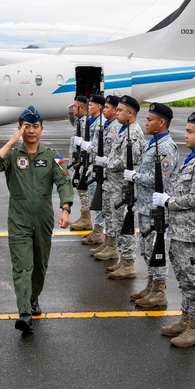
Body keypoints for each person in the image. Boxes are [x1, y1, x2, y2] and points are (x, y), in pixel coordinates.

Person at [0, 106, 73, 332]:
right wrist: (11, 141)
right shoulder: (13, 156)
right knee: (22, 266)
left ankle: (33, 297)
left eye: (35, 126)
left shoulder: (52, 156)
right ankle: (24, 311)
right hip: (19, 217)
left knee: (40, 264)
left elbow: (64, 182)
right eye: (26, 127)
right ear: (20, 129)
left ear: (42, 129)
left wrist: (65, 208)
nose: (31, 131)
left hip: (43, 217)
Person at [154, 112, 195, 347]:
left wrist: (168, 202)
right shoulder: (193, 158)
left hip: (193, 233)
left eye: (190, 131)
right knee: (184, 279)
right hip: (182, 230)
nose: (186, 135)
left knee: (193, 280)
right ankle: (186, 319)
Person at [131, 103, 179, 309]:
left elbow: (162, 180)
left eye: (150, 119)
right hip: (145, 205)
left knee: (155, 249)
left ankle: (159, 290)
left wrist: (136, 176)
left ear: (161, 122)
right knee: (146, 248)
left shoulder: (166, 147)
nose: (146, 122)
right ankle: (151, 285)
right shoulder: (154, 144)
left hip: (155, 208)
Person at [102, 95, 146, 280]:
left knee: (124, 225)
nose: (117, 112)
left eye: (120, 110)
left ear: (130, 113)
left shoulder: (133, 132)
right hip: (115, 186)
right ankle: (123, 259)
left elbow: (129, 160)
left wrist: (107, 162)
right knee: (117, 223)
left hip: (123, 187)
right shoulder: (123, 129)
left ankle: (128, 264)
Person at [89, 95, 123, 263]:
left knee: (114, 215)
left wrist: (104, 161)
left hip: (114, 178)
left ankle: (112, 246)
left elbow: (115, 155)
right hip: (107, 176)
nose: (105, 110)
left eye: (107, 108)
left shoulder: (117, 128)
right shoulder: (109, 125)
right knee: (108, 213)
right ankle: (109, 243)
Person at [79, 94, 107, 247]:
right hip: (91, 165)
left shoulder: (101, 123)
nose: (88, 108)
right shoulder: (93, 121)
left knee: (98, 200)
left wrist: (87, 147)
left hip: (97, 166)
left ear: (98, 107)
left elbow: (97, 148)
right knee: (93, 198)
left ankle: (98, 231)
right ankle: (97, 229)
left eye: (91, 105)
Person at [67, 95, 91, 231]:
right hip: (77, 163)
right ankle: (84, 217)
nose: (73, 108)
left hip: (82, 163)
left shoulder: (85, 122)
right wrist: (72, 107)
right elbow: (72, 117)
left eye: (76, 106)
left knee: (83, 190)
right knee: (80, 190)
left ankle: (86, 218)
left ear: (81, 108)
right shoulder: (79, 121)